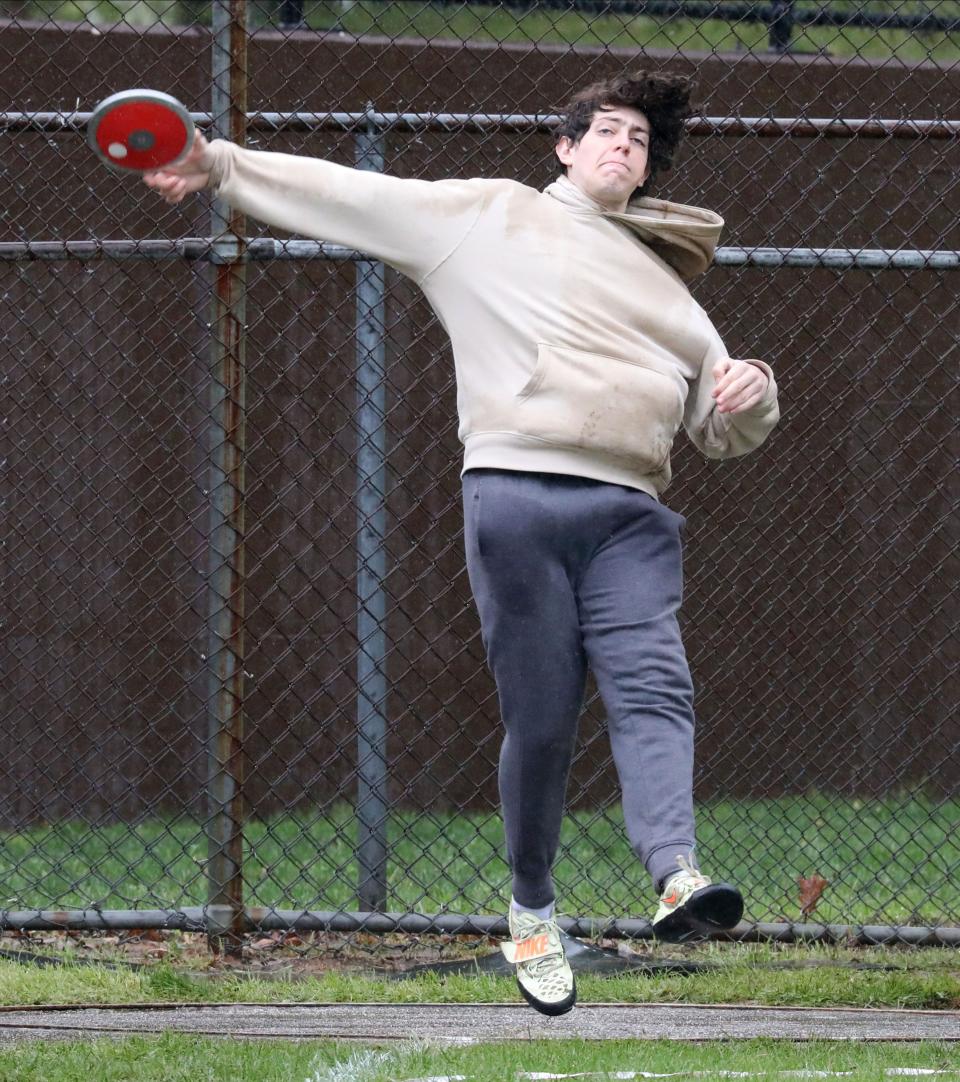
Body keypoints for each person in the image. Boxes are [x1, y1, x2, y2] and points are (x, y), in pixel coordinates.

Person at [145, 70, 779, 1017]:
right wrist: (218, 164)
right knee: (546, 719)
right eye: (606, 132)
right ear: (565, 148)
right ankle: (532, 910)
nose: (623, 148)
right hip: (517, 495)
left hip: (632, 514)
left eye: (640, 143)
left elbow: (719, 419)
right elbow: (352, 196)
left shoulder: (667, 284)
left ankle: (677, 873)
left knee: (654, 682)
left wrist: (753, 390)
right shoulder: (489, 217)